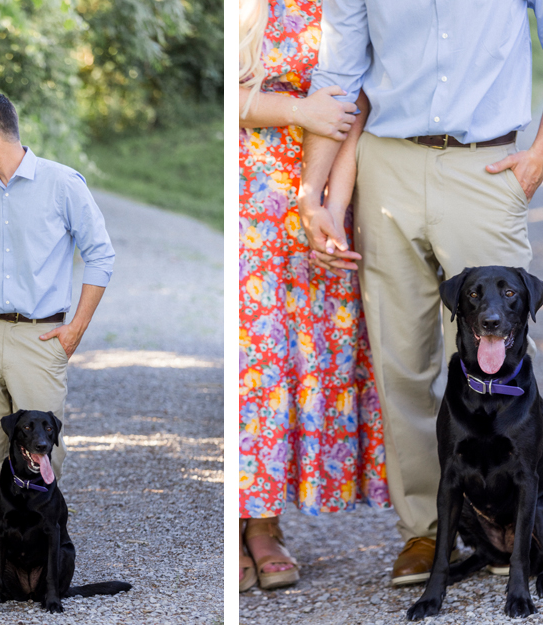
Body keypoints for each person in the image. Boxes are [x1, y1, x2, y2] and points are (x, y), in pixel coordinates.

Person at [298, 0, 543, 586]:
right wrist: (313, 193)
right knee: (401, 365)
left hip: (484, 167)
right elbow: (337, 76)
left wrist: (541, 154)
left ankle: (515, 519)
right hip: (387, 165)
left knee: (500, 351)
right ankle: (426, 533)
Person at [0, 92, 115, 598]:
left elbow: (101, 256)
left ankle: (46, 568)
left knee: (40, 454)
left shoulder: (61, 183)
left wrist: (74, 328)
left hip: (41, 335)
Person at [238, 0, 389, 593]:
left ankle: (265, 528)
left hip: (316, 204)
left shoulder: (346, 8)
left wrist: (330, 205)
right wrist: (298, 108)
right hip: (248, 203)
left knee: (294, 363)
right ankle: (238, 524)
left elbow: (357, 113)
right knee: (254, 367)